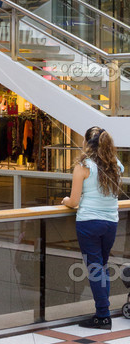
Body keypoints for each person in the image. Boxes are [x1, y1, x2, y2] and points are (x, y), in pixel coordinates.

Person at [62, 126, 124, 329]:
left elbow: (73, 200)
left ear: (87, 143)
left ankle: (103, 316)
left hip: (89, 223)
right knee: (102, 266)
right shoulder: (116, 165)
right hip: (111, 223)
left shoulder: (83, 166)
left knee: (95, 268)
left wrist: (64, 201)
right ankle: (103, 311)